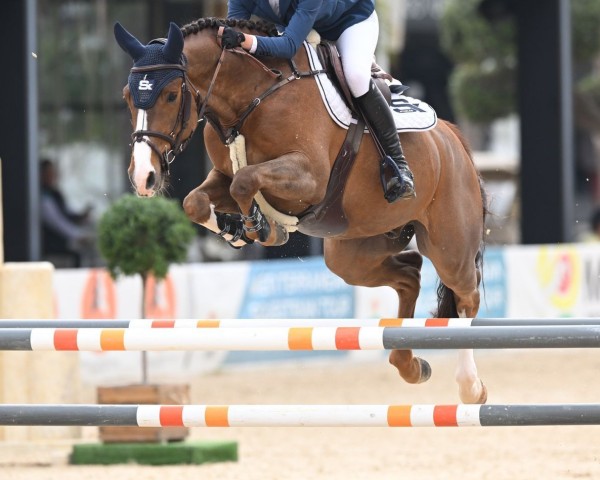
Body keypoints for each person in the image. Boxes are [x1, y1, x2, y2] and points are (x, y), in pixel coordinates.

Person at [223, 0, 416, 203]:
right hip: (302, 27)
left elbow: (288, 46)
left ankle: (399, 165)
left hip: (349, 23)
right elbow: (232, 29)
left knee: (356, 77)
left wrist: (243, 40)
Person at [40, 158, 95, 267]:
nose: (52, 176)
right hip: (50, 242)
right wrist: (77, 235)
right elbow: (56, 221)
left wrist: (81, 217)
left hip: (65, 238)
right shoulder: (42, 195)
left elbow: (67, 213)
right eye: (48, 173)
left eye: (53, 172)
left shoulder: (55, 193)